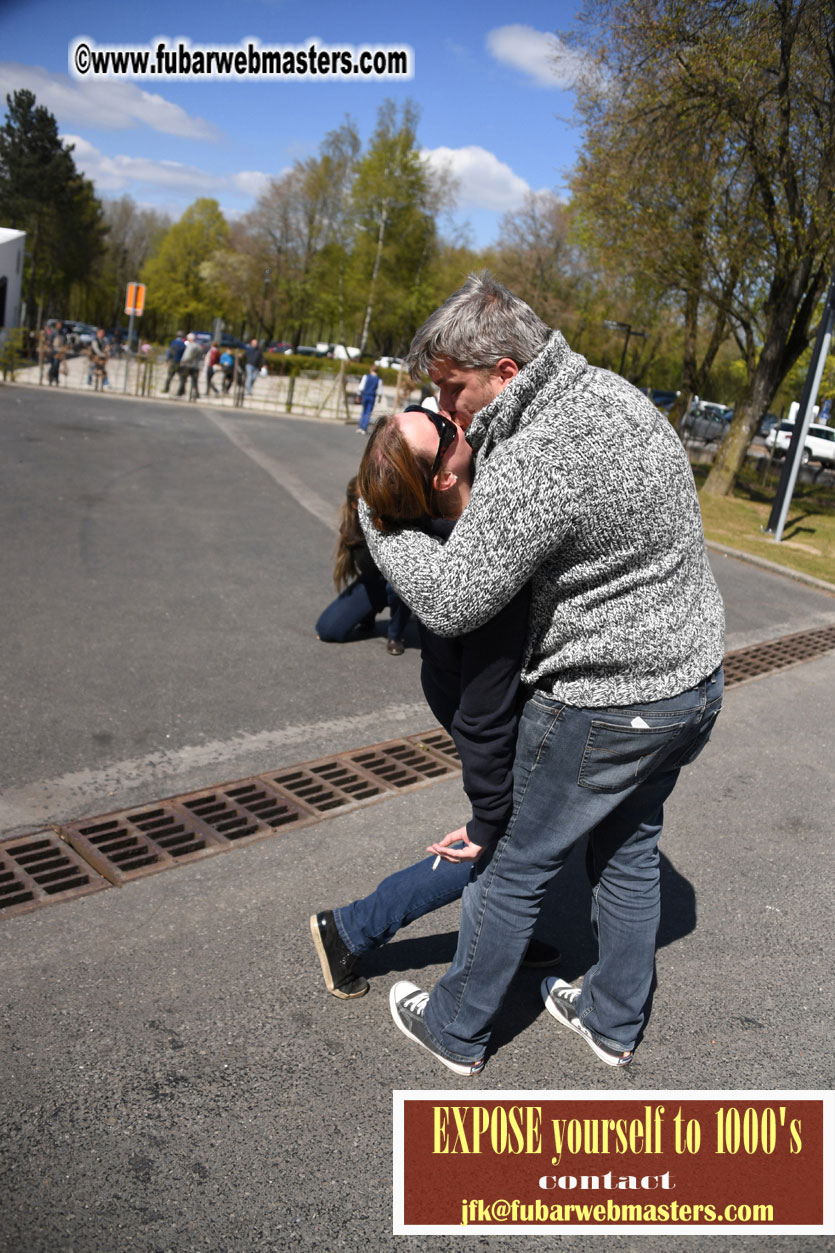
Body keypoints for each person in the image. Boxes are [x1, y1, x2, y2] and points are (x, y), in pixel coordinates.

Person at [360, 272, 725, 1076]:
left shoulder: (541, 455)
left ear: (505, 373)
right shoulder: (612, 395)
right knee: (627, 851)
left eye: (452, 391)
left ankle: (455, 1028)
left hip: (608, 702)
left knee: (512, 863)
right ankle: (610, 1020)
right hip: (690, 686)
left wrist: (374, 516)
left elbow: (452, 599)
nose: (445, 408)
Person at [310, 409, 559, 998]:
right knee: (503, 841)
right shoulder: (478, 568)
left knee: (536, 835)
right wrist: (488, 814)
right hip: (483, 710)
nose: (448, 416)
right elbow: (482, 713)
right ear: (444, 477)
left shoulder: (447, 510)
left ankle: (503, 934)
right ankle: (351, 928)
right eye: (441, 427)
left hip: (470, 694)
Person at [315, 475, 412, 656]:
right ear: (355, 505)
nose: (374, 505)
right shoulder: (353, 531)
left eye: (376, 497)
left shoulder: (394, 517)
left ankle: (395, 634)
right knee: (327, 630)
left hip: (401, 582)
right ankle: (368, 615)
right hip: (375, 581)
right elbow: (369, 568)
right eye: (367, 501)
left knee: (396, 586)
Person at [176, 333, 203, 400]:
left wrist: (183, 362)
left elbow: (187, 356)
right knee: (195, 381)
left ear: (189, 339)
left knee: (183, 380)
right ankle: (196, 394)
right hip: (196, 366)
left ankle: (180, 392)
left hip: (187, 366)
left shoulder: (190, 346)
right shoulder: (198, 346)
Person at [357, 366, 381, 433]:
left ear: (371, 369)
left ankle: (360, 426)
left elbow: (361, 387)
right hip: (372, 396)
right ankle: (364, 428)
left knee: (363, 411)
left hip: (365, 395)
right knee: (368, 412)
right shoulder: (378, 379)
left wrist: (358, 395)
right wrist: (379, 398)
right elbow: (379, 390)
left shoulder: (366, 376)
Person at [46, 321, 67, 386]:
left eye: (60, 325)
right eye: (58, 325)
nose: (59, 326)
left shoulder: (63, 333)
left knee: (57, 366)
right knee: (53, 366)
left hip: (59, 353)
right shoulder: (53, 333)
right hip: (53, 352)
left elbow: (65, 342)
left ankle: (56, 379)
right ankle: (51, 378)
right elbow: (49, 342)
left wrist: (64, 349)